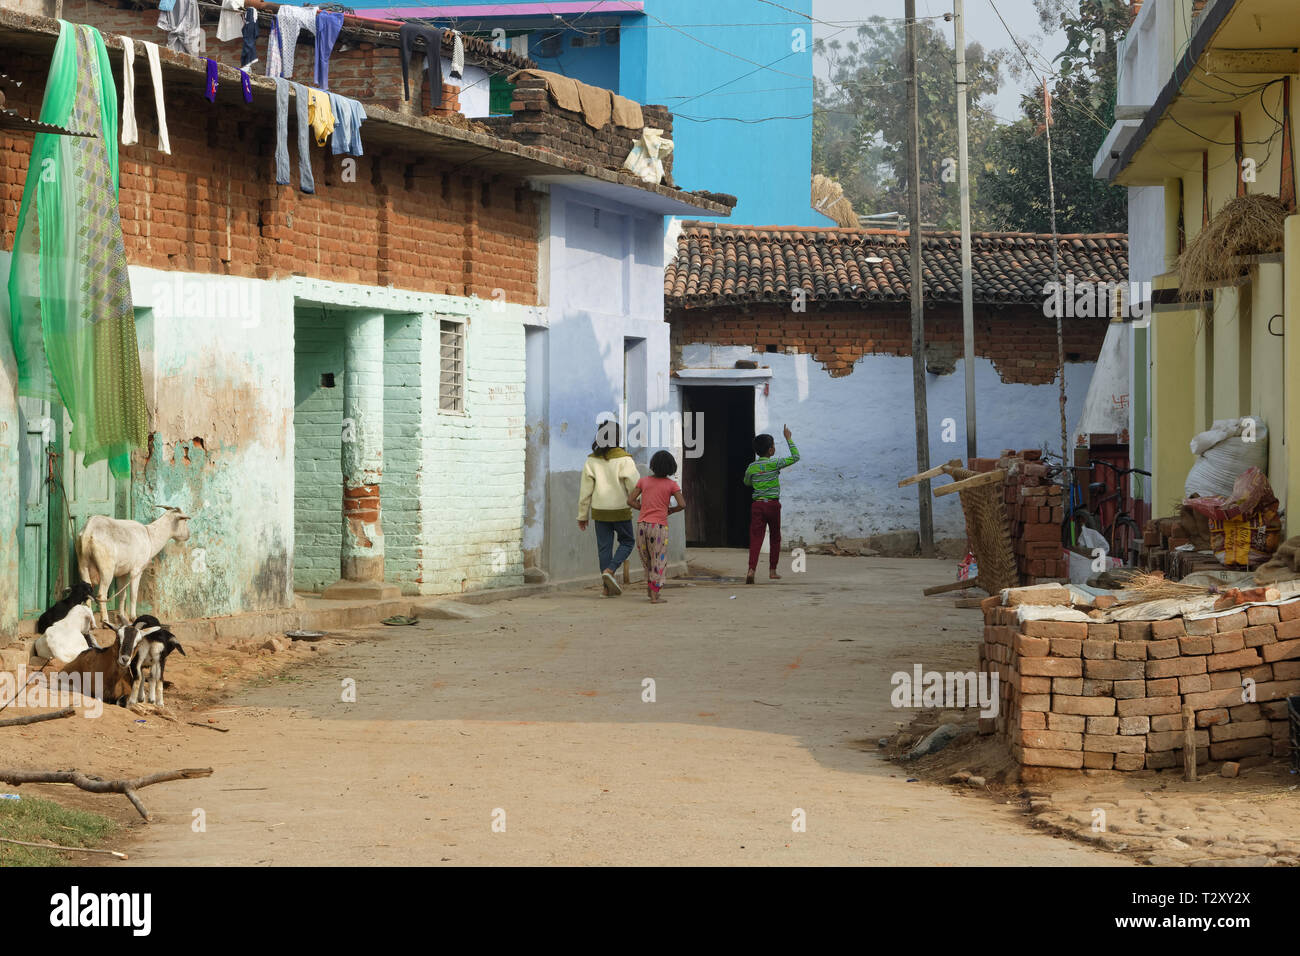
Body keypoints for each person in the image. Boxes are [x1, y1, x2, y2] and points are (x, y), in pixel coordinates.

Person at [577, 421, 640, 596]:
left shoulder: (591, 460)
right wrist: (641, 504)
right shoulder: (625, 459)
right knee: (627, 542)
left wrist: (583, 515)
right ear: (618, 437)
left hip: (599, 512)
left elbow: (585, 492)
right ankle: (610, 571)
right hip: (621, 510)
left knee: (604, 548)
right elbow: (635, 486)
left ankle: (606, 589)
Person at [743, 425, 800, 585]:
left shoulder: (751, 467)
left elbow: (747, 482)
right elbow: (796, 457)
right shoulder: (775, 464)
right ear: (770, 451)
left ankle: (751, 570)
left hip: (758, 506)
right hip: (773, 505)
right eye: (773, 446)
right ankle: (772, 571)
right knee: (775, 537)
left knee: (756, 538)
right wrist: (788, 439)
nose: (774, 448)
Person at [628, 450, 684, 604]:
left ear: (653, 465)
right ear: (671, 467)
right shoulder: (672, 485)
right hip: (658, 527)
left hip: (641, 526)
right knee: (658, 559)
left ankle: (650, 589)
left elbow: (630, 500)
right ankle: (654, 595)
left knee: (647, 559)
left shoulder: (643, 481)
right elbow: (682, 504)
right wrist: (670, 510)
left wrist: (644, 508)